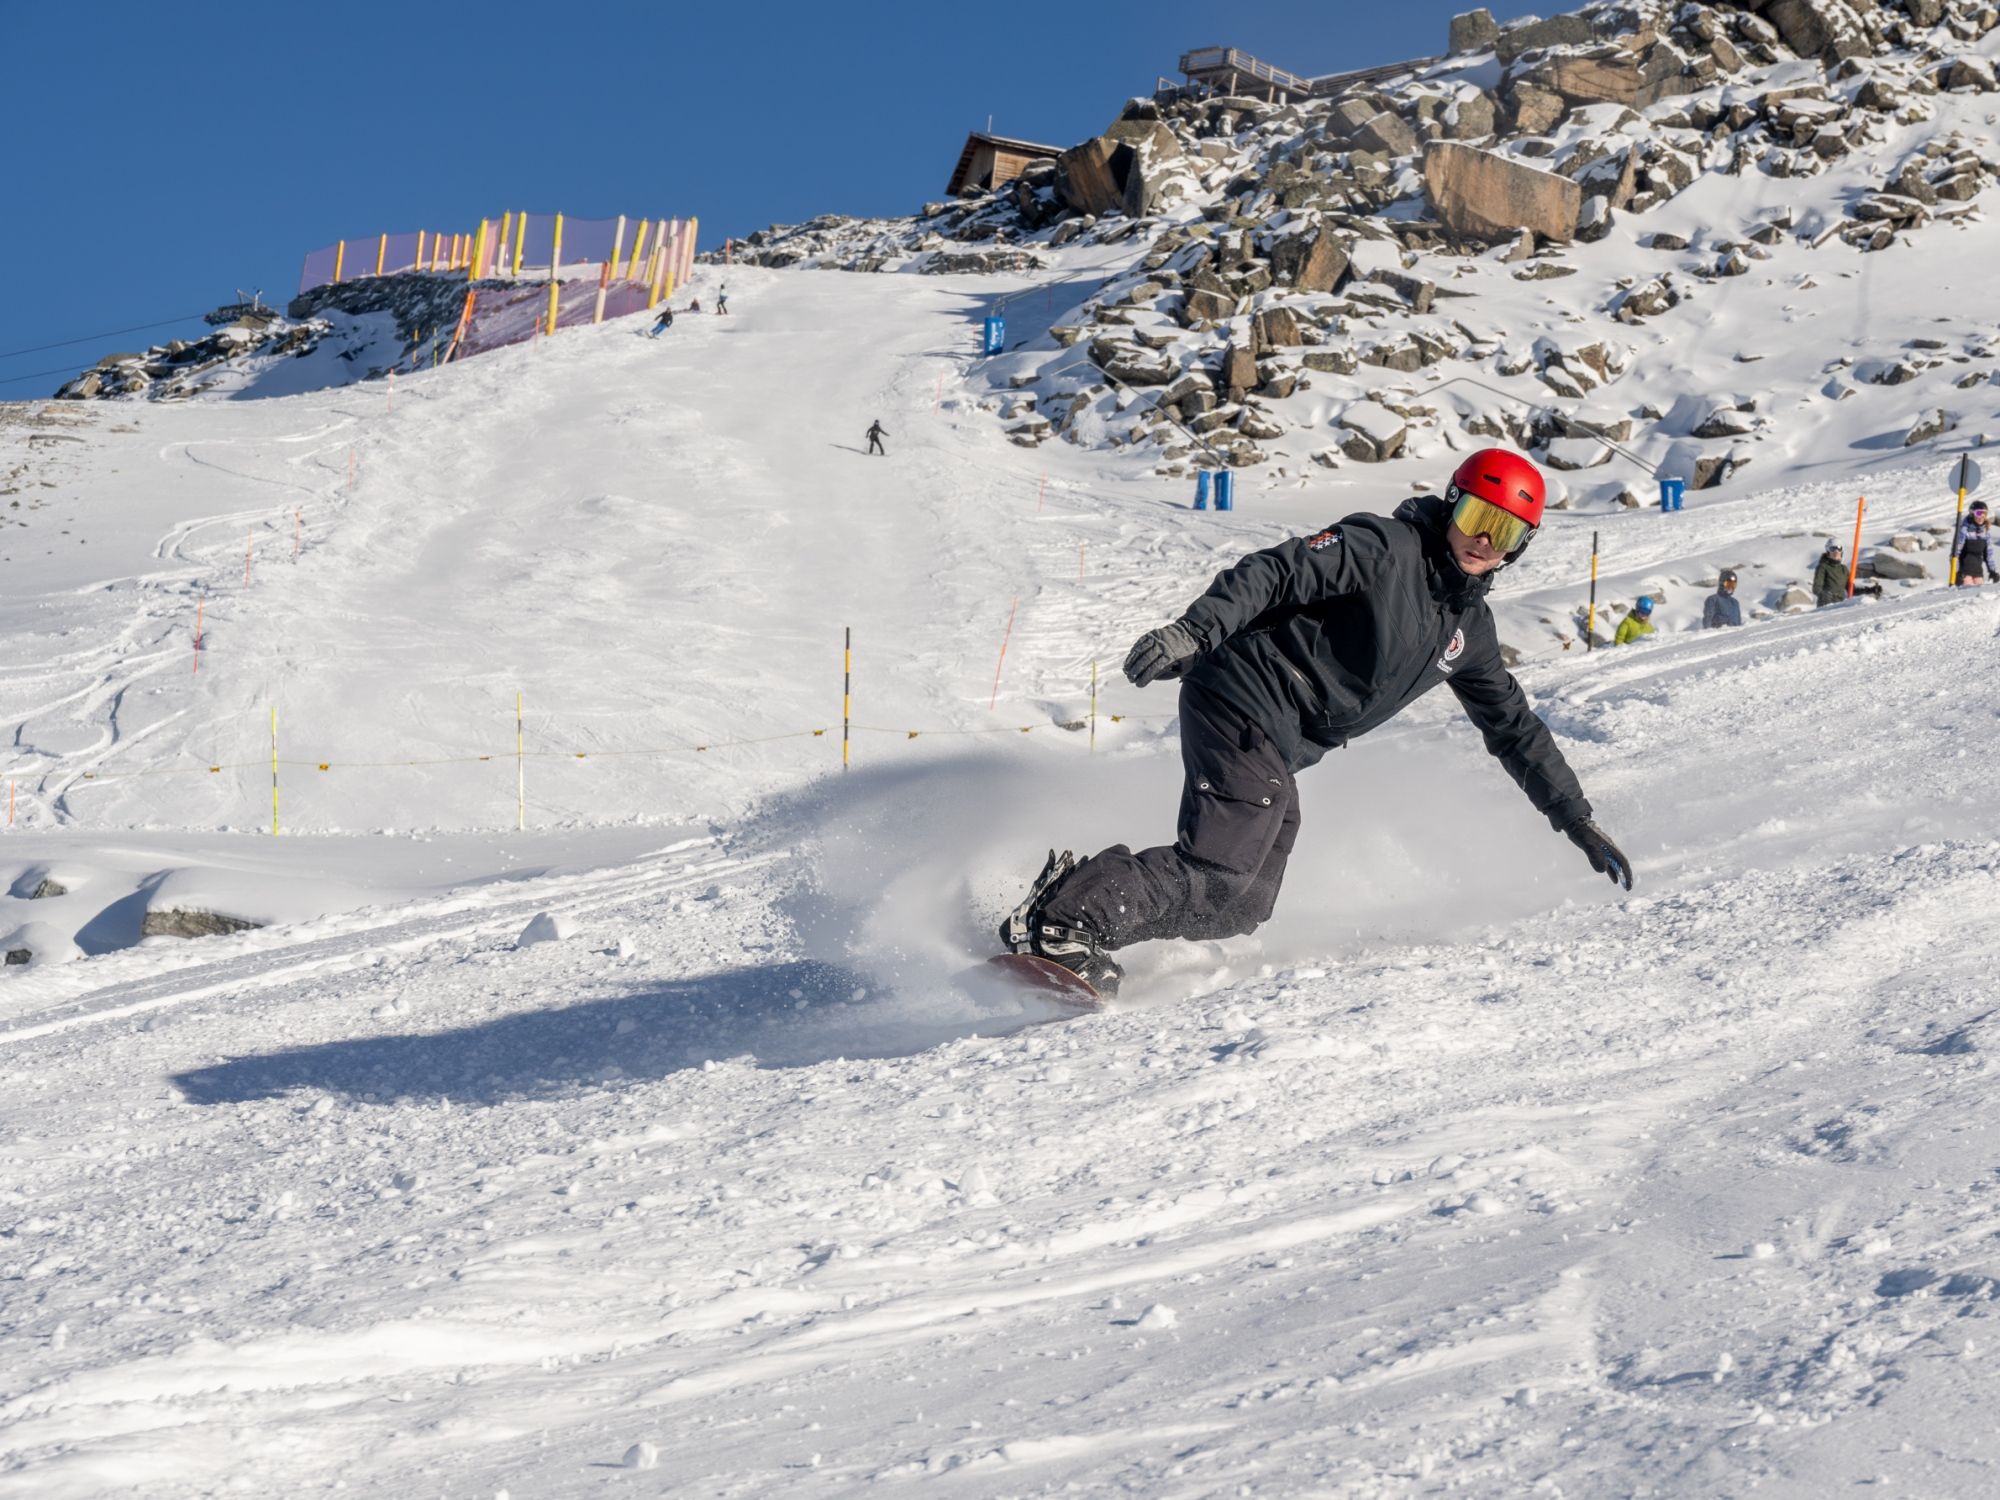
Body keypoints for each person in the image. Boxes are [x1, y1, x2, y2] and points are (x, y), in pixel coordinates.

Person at [999, 448, 1633, 998]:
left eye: (1506, 532)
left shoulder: (1471, 632)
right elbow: (1276, 571)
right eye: (1475, 518)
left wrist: (1573, 816)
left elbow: (1514, 727)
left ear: (1521, 547)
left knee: (1244, 901)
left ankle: (1076, 914)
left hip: (1282, 741)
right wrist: (1196, 630)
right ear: (1451, 504)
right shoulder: (1385, 547)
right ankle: (1067, 921)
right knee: (1221, 863)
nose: (1484, 541)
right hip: (1242, 692)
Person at [1954, 499, 1992, 585]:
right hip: (1964, 572)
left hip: (1978, 572)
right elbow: (1956, 552)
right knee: (1967, 595)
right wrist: (1957, 571)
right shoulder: (1964, 530)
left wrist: (1992, 570)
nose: (1981, 516)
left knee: (1979, 596)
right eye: (1978, 513)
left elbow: (1988, 554)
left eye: (1984, 513)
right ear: (1972, 514)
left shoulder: (1985, 531)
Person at [1813, 540, 1850, 606]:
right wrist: (1825, 595)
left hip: (1841, 604)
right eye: (1832, 549)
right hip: (1826, 605)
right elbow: (1816, 588)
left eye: (1839, 548)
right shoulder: (1823, 567)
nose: (1836, 552)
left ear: (1841, 552)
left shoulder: (1844, 569)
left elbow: (1850, 588)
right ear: (1828, 552)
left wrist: (1868, 590)